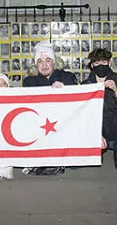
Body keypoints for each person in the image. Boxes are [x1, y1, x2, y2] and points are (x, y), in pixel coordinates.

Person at [22, 41, 77, 175]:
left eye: (48, 60)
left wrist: (64, 88)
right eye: (40, 61)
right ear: (35, 65)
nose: (44, 65)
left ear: (54, 62)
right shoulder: (29, 81)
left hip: (63, 124)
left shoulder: (68, 77)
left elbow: (78, 105)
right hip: (40, 125)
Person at [81, 48, 117, 170]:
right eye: (97, 63)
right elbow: (82, 114)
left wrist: (116, 90)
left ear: (109, 63)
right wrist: (96, 135)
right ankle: (96, 149)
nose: (100, 65)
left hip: (113, 126)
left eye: (103, 62)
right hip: (95, 127)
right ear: (92, 65)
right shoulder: (85, 85)